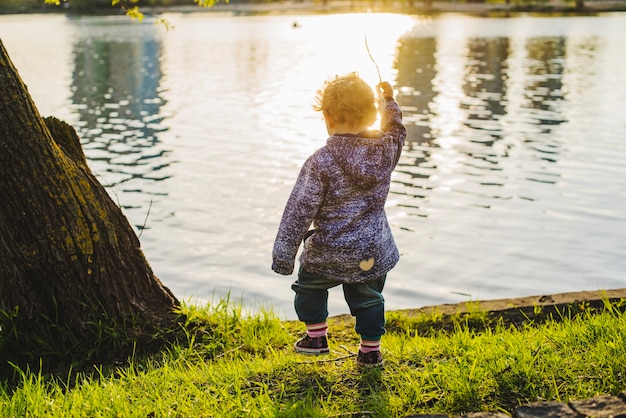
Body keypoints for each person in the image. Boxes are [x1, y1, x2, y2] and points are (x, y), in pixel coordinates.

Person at [271, 72, 406, 367]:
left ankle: (316, 337)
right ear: (371, 117)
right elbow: (396, 132)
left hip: (328, 253)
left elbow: (298, 213)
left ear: (329, 118)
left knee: (308, 287)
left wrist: (284, 257)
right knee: (369, 297)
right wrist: (389, 102)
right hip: (370, 253)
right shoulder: (384, 153)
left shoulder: (320, 162)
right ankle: (370, 351)